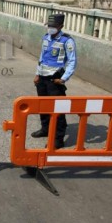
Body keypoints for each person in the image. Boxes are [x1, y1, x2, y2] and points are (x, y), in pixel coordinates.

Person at [32, 14, 77, 149]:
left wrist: (64, 78)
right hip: (42, 77)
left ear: (61, 26)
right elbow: (42, 56)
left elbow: (72, 61)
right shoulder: (46, 37)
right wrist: (37, 74)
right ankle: (45, 129)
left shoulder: (67, 41)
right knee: (43, 106)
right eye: (49, 26)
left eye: (53, 26)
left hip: (55, 79)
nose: (50, 28)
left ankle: (58, 139)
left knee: (58, 109)